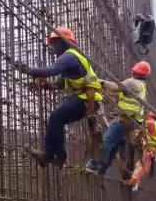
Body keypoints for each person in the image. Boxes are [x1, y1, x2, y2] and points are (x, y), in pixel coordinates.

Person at [14, 27, 102, 168]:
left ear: (63, 42)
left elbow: (51, 70)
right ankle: (57, 155)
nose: (53, 48)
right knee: (57, 119)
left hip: (88, 99)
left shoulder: (70, 56)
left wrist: (26, 70)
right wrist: (48, 85)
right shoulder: (72, 59)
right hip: (85, 98)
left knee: (56, 117)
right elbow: (59, 83)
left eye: (54, 43)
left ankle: (53, 155)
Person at [86, 61, 150, 176]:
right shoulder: (142, 88)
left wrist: (99, 82)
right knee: (113, 147)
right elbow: (118, 94)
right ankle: (101, 170)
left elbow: (115, 88)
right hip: (131, 124)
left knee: (107, 141)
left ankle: (94, 165)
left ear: (134, 71)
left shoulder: (133, 83)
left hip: (123, 121)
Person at [127, 111, 156, 190]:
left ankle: (134, 180)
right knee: (144, 165)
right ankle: (135, 179)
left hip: (149, 148)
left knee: (144, 165)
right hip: (154, 149)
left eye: (149, 116)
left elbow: (141, 131)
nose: (148, 117)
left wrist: (136, 138)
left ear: (151, 117)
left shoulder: (149, 123)